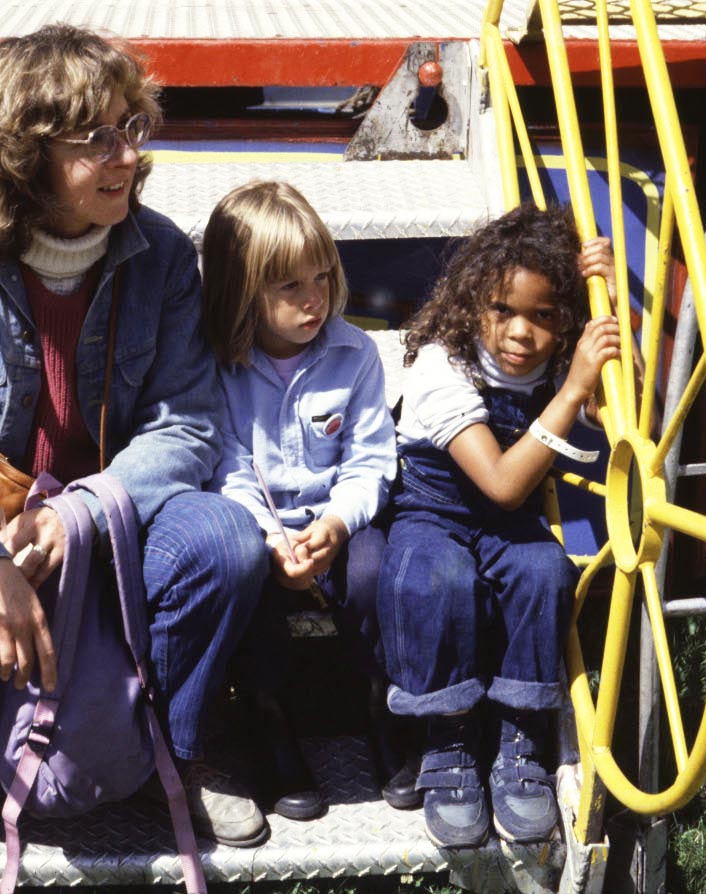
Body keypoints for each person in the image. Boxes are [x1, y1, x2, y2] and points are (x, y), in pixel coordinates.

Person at [0, 26, 270, 889]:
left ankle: (174, 747)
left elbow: (187, 425)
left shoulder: (163, 254)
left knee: (227, 544)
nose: (129, 156)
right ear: (22, 156)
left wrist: (78, 513)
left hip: (108, 516)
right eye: (97, 139)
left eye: (132, 127)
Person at [377, 203, 620, 848]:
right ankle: (448, 736)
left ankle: (522, 735)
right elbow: (506, 485)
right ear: (471, 304)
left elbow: (623, 407)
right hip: (432, 514)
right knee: (438, 578)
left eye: (545, 316)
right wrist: (571, 391)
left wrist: (612, 316)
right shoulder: (441, 365)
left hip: (505, 526)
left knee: (544, 569)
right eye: (503, 311)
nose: (521, 333)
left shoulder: (559, 357)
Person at [200, 181, 403, 821]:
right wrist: (269, 537)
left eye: (321, 276)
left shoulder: (355, 355)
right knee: (244, 580)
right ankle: (268, 715)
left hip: (335, 520)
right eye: (289, 287)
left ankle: (381, 704)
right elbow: (225, 461)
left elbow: (371, 459)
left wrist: (340, 524)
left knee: (375, 573)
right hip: (260, 527)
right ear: (243, 292)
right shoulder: (217, 367)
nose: (313, 299)